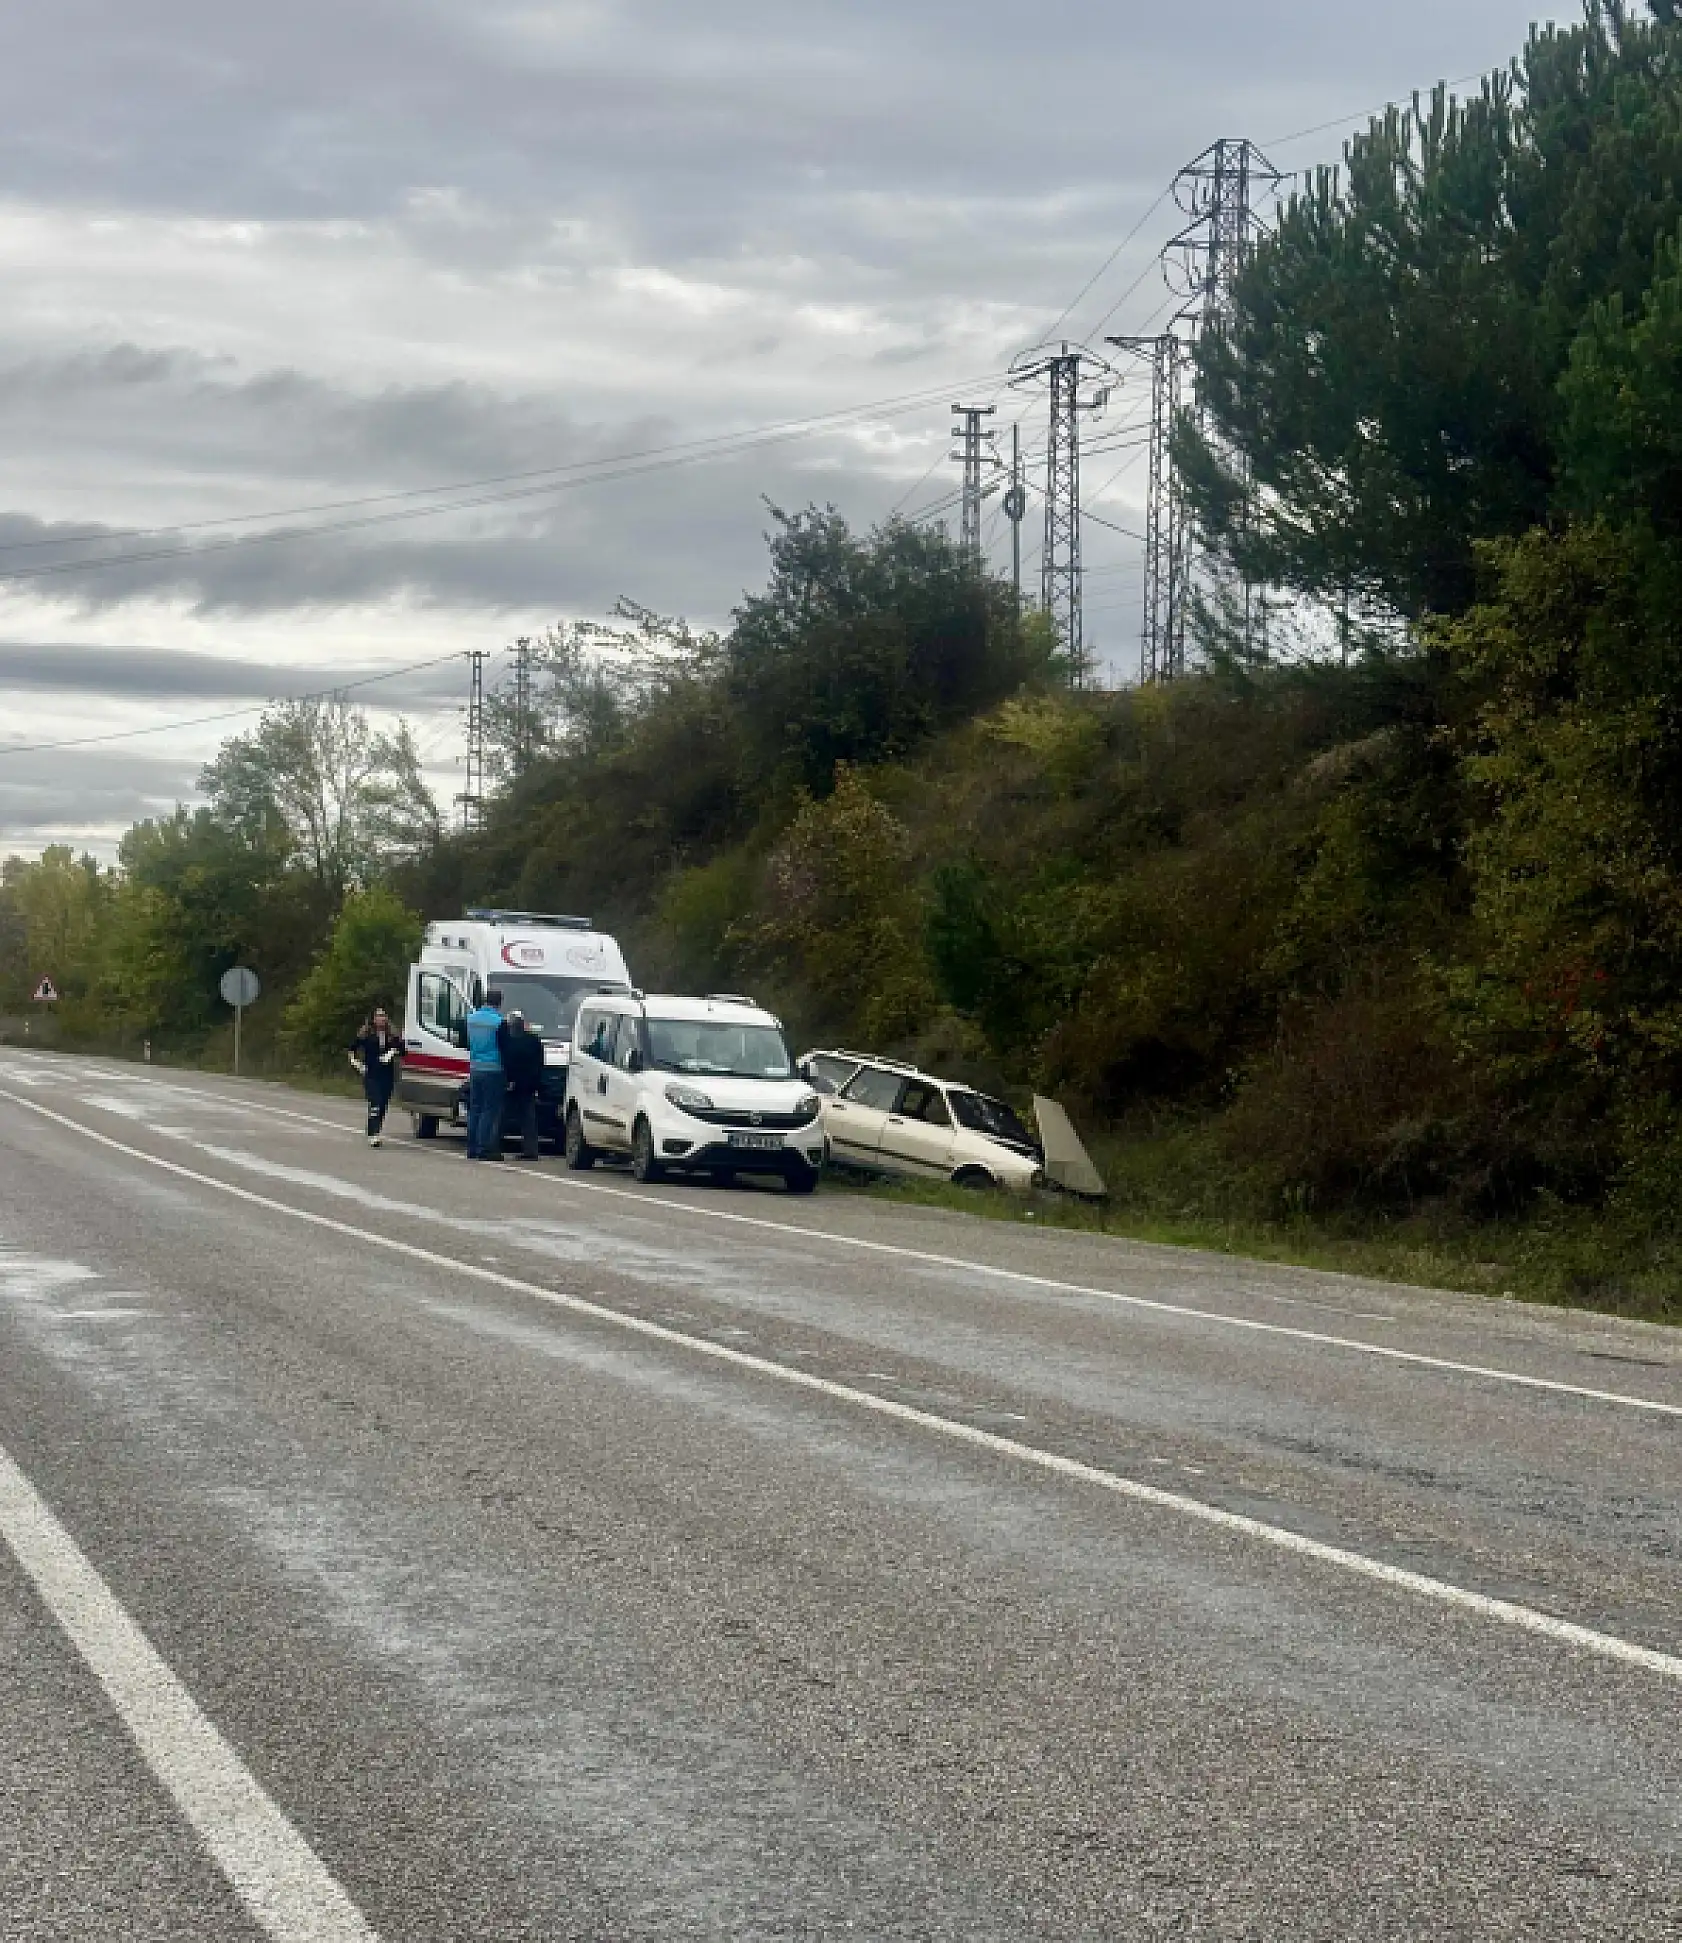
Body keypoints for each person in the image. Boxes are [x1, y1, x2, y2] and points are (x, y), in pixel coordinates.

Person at [348, 1005, 403, 1146]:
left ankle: (374, 1129)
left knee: (383, 1104)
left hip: (387, 1074)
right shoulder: (366, 1034)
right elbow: (352, 1049)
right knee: (375, 1103)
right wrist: (356, 1063)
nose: (381, 1018)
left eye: (383, 1015)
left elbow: (402, 1050)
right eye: (379, 1016)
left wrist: (392, 1052)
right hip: (371, 1073)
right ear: (373, 1019)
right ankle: (373, 1135)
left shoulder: (392, 1035)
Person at [464, 986, 507, 1160]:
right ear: (499, 1003)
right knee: (489, 1110)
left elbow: (466, 1042)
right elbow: (504, 1046)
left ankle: (471, 1147)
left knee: (475, 1108)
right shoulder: (499, 1022)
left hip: (475, 1068)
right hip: (493, 1068)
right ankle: (483, 1147)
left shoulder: (471, 1019)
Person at [499, 1009, 546, 1161]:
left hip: (512, 1084)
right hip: (529, 1085)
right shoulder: (534, 1041)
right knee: (528, 1119)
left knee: (502, 1116)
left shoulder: (509, 1042)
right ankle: (531, 1150)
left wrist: (508, 1081)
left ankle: (494, 1146)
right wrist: (537, 1084)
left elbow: (507, 1063)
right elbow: (540, 1064)